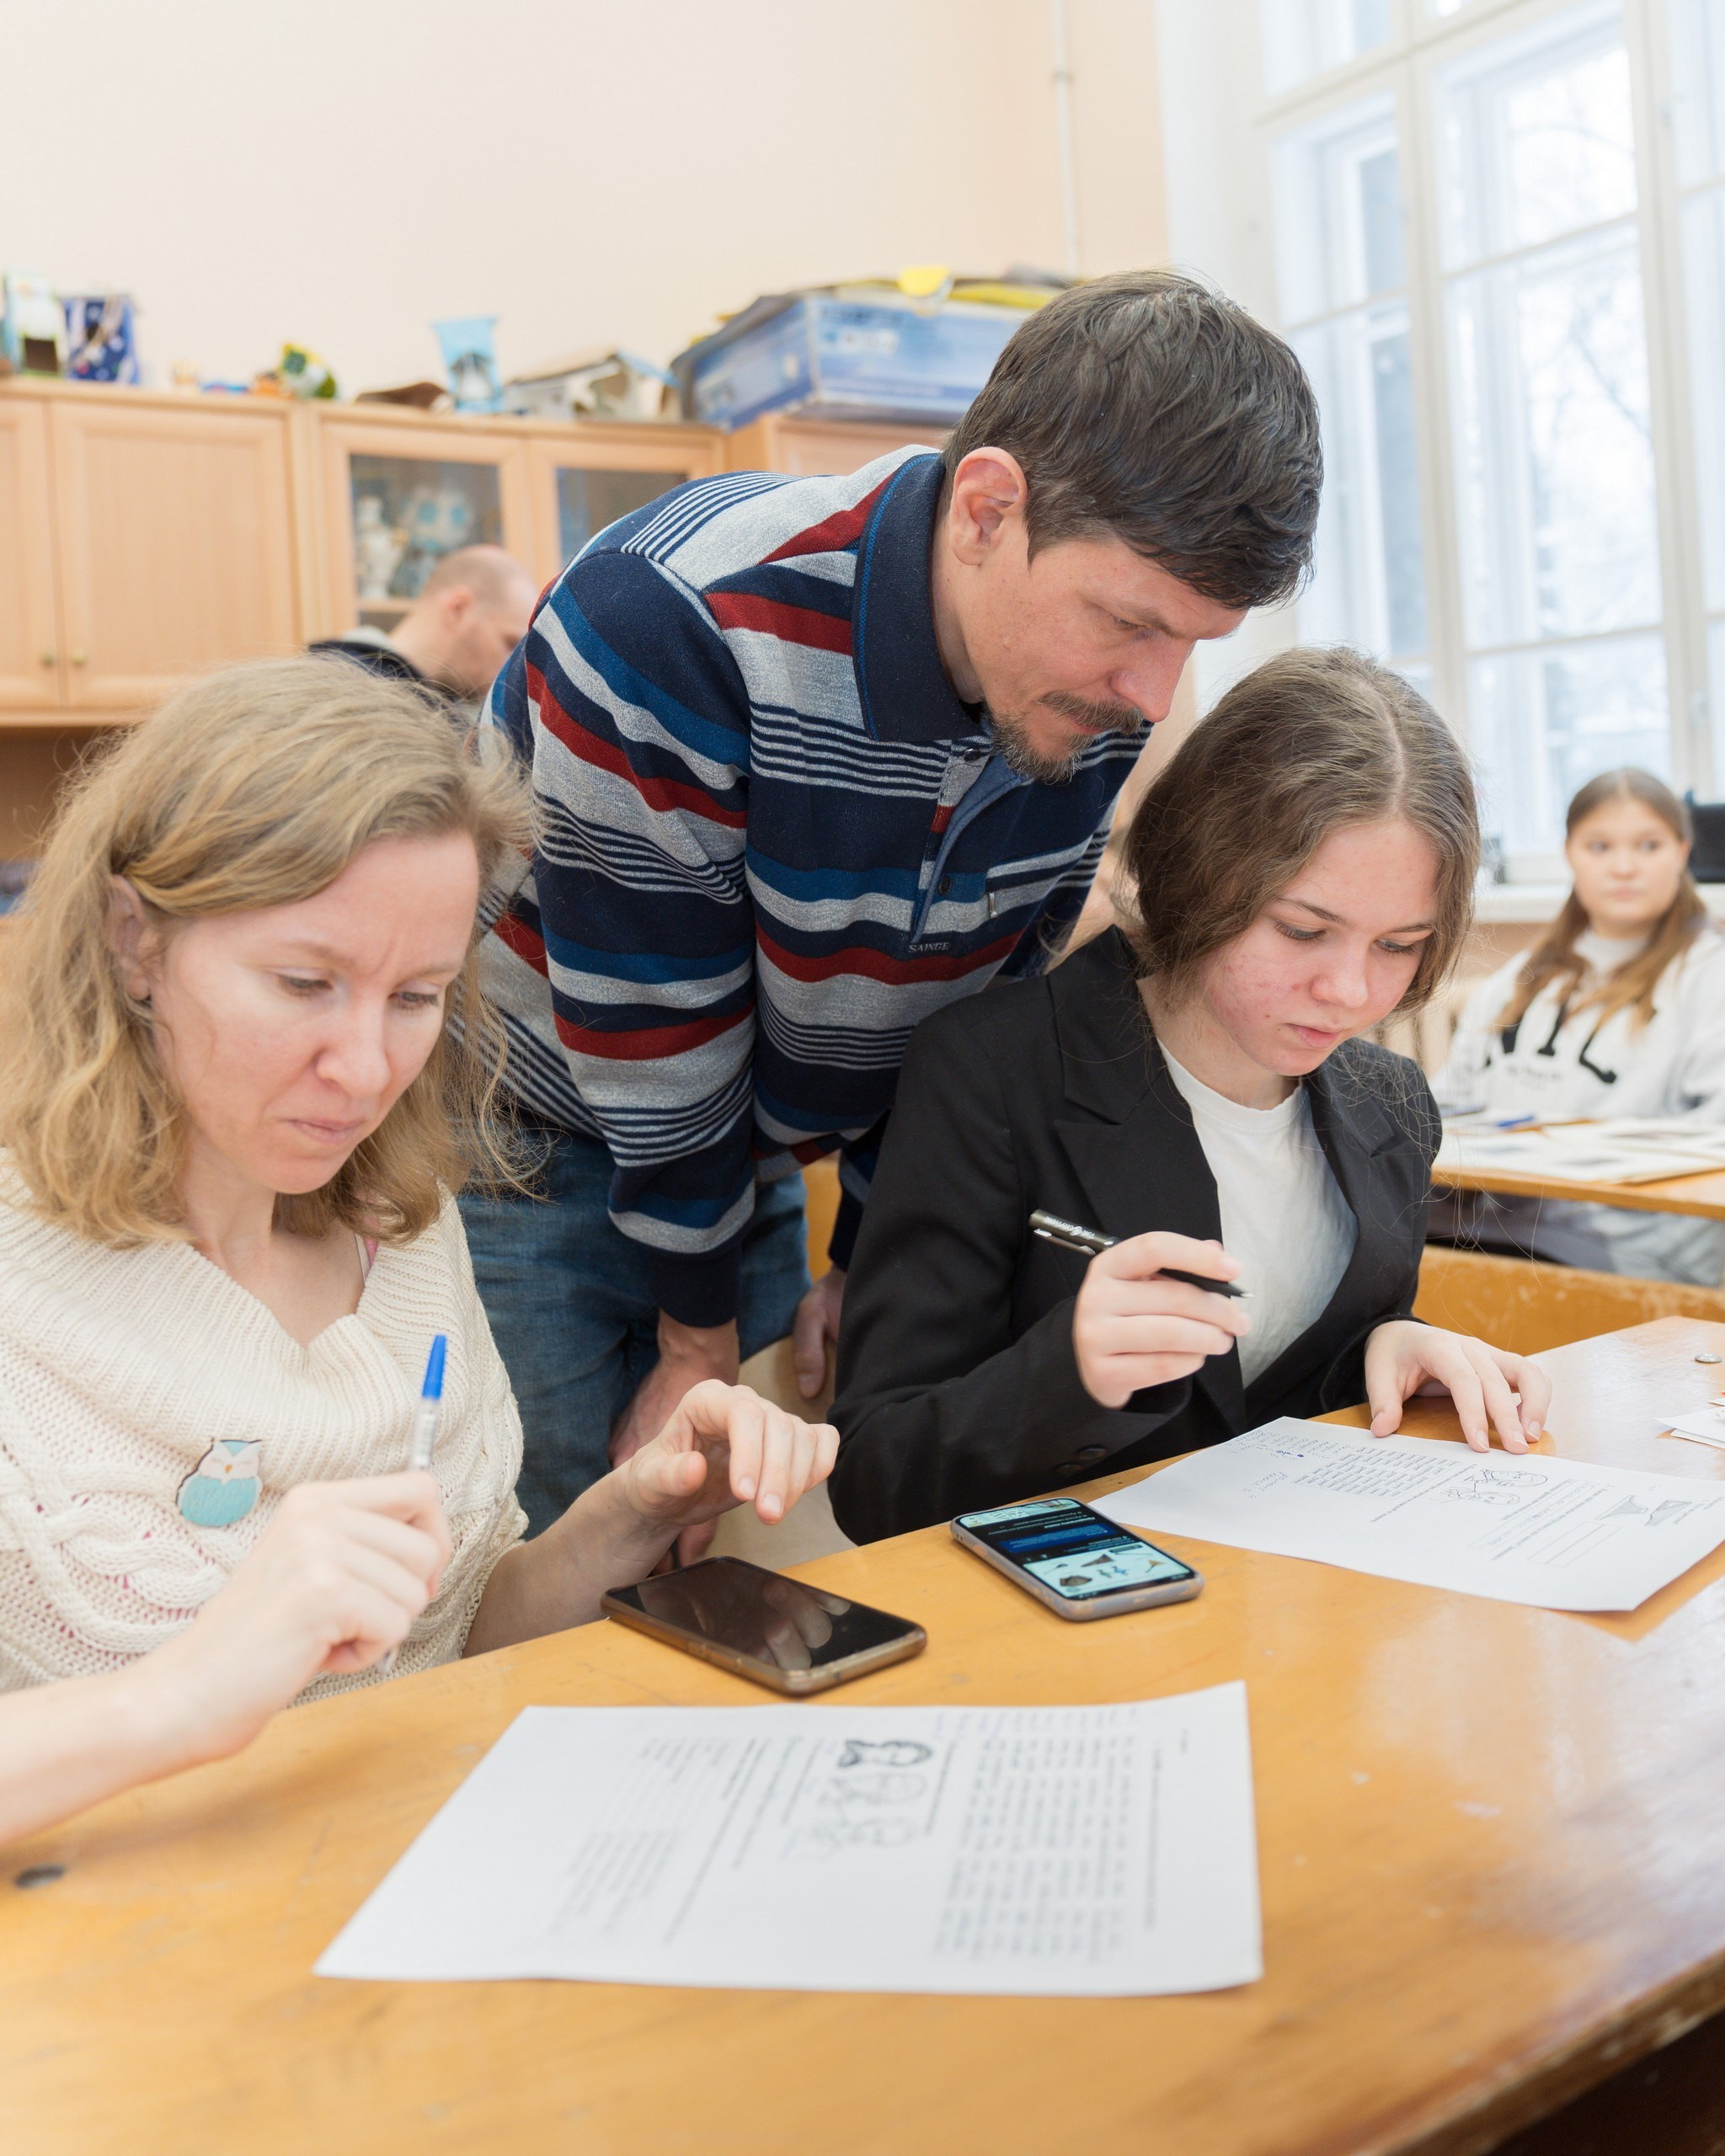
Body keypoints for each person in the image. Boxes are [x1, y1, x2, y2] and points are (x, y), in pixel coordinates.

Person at [467, 269, 1326, 1535]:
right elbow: (656, 1039)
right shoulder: (674, 623)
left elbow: (972, 1011)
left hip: (735, 1162)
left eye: (1196, 642)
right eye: (1131, 623)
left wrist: (866, 1252)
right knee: (557, 1563)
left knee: (730, 1574)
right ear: (988, 508)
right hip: (533, 1152)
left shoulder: (1081, 699)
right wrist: (696, 1340)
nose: (1153, 695)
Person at [0, 658, 836, 1844]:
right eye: (304, 982)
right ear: (137, 942)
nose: (366, 1070)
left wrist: (629, 1518)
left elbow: (449, 1644)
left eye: (415, 996)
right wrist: (192, 1689)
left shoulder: (404, 1229)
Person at [825, 648, 1551, 1544]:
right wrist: (1066, 1378)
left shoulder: (1387, 1101)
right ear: (1201, 868)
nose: (1351, 992)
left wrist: (1385, 1348)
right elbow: (870, 1477)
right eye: (1302, 930)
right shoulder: (993, 1069)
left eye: (1398, 944)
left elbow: (1280, 1374)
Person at [1431, 769, 1725, 1284]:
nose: (1625, 867)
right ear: (1570, 853)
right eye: (1600, 846)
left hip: (1625, 1249)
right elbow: (1447, 1103)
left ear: (1682, 851)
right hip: (1495, 1228)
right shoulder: (1522, 976)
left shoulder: (1707, 975)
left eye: (1649, 845)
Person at [311, 543, 538, 702]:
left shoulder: (445, 712)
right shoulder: (339, 693)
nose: (517, 669)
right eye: (510, 644)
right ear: (458, 608)